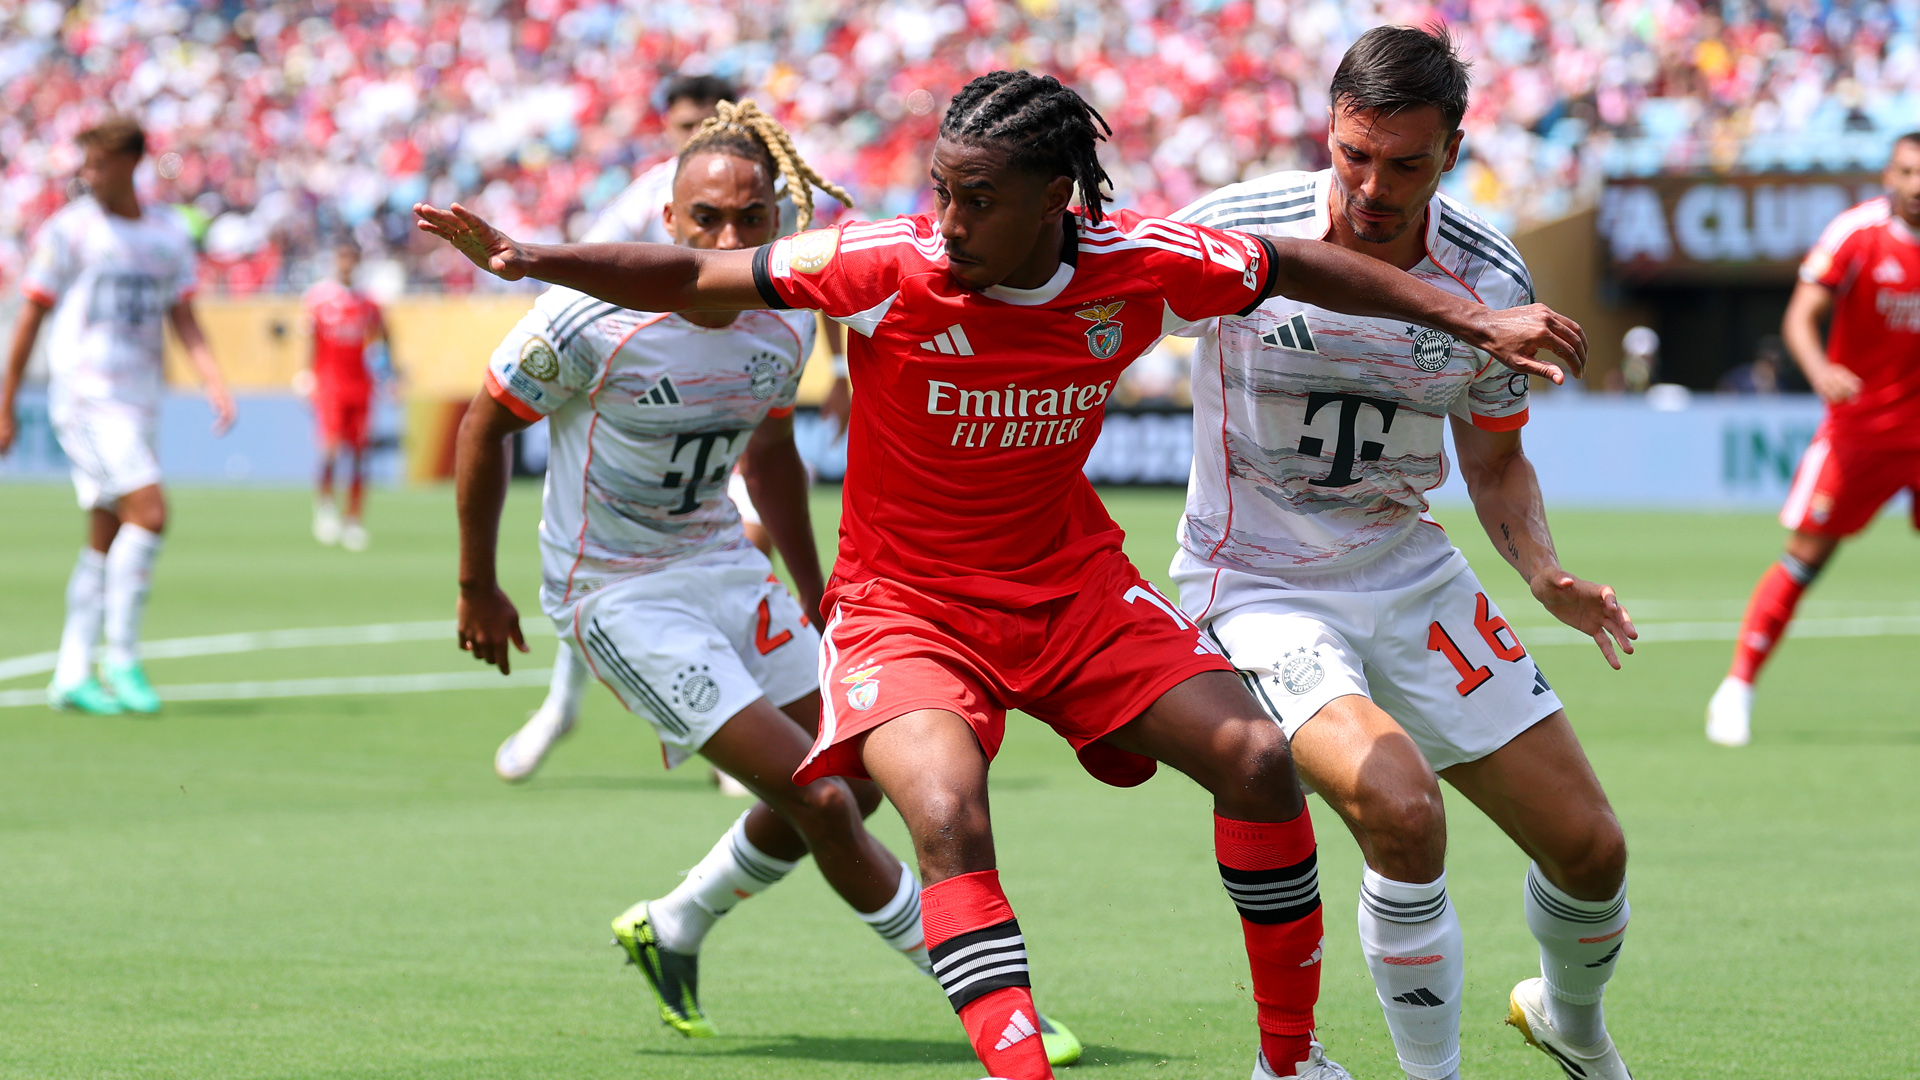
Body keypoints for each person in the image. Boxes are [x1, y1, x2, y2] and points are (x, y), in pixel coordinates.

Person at [416, 70, 1584, 1080]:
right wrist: (534, 257)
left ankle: (1290, 1059)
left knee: (1257, 760)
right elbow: (695, 280)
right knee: (941, 811)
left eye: (978, 201)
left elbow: (1298, 266)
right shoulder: (883, 264)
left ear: (1054, 203)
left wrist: (1468, 321)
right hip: (904, 609)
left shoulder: (1139, 263)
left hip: (1070, 590)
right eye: (941, 192)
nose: (949, 222)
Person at [450, 101, 1079, 1064]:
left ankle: (674, 923)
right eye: (707, 220)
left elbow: (774, 451)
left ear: (782, 222)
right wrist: (475, 584)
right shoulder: (588, 319)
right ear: (668, 221)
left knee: (855, 775)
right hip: (618, 591)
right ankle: (990, 1006)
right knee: (820, 803)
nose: (730, 238)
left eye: (752, 220)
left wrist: (818, 587)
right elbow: (483, 427)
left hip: (722, 565)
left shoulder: (785, 321)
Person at [1166, 28, 1638, 1080]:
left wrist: (1543, 571)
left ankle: (1570, 1018)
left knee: (1591, 850)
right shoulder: (1235, 230)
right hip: (1257, 583)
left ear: (1453, 154)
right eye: (1353, 155)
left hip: (1407, 567)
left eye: (1406, 164)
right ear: (1327, 134)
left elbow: (1497, 457)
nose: (1373, 187)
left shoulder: (1493, 271)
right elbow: (1097, 316)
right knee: (1400, 806)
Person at [493, 72, 850, 784]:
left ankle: (738, 711)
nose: (693, 140)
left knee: (748, 533)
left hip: (736, 407)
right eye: (682, 129)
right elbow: (592, 279)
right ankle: (568, 707)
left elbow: (823, 268)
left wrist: (837, 372)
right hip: (640, 407)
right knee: (613, 561)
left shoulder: (761, 197)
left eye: (702, 125)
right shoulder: (651, 194)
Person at [0, 115, 235, 715]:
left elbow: (182, 314)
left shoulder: (165, 234)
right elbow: (30, 317)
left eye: (95, 163)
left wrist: (213, 381)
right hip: (85, 398)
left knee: (105, 536)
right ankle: (122, 658)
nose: (85, 174)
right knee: (151, 513)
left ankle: (71, 671)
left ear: (129, 163)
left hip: (139, 399)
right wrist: (4, 405)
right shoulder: (68, 231)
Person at [1707, 132, 1920, 746]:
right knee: (1806, 556)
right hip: (1863, 431)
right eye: (1906, 171)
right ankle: (1737, 687)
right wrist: (1820, 368)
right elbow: (1801, 315)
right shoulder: (1856, 233)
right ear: (1889, 173)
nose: (1916, 184)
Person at [301, 239, 393, 552]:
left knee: (359, 452)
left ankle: (353, 518)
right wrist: (306, 375)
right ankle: (325, 506)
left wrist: (386, 369)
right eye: (342, 258)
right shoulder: (319, 299)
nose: (346, 264)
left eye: (351, 259)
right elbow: (310, 341)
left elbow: (385, 335)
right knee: (329, 447)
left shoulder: (368, 302)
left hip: (361, 384)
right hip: (329, 383)